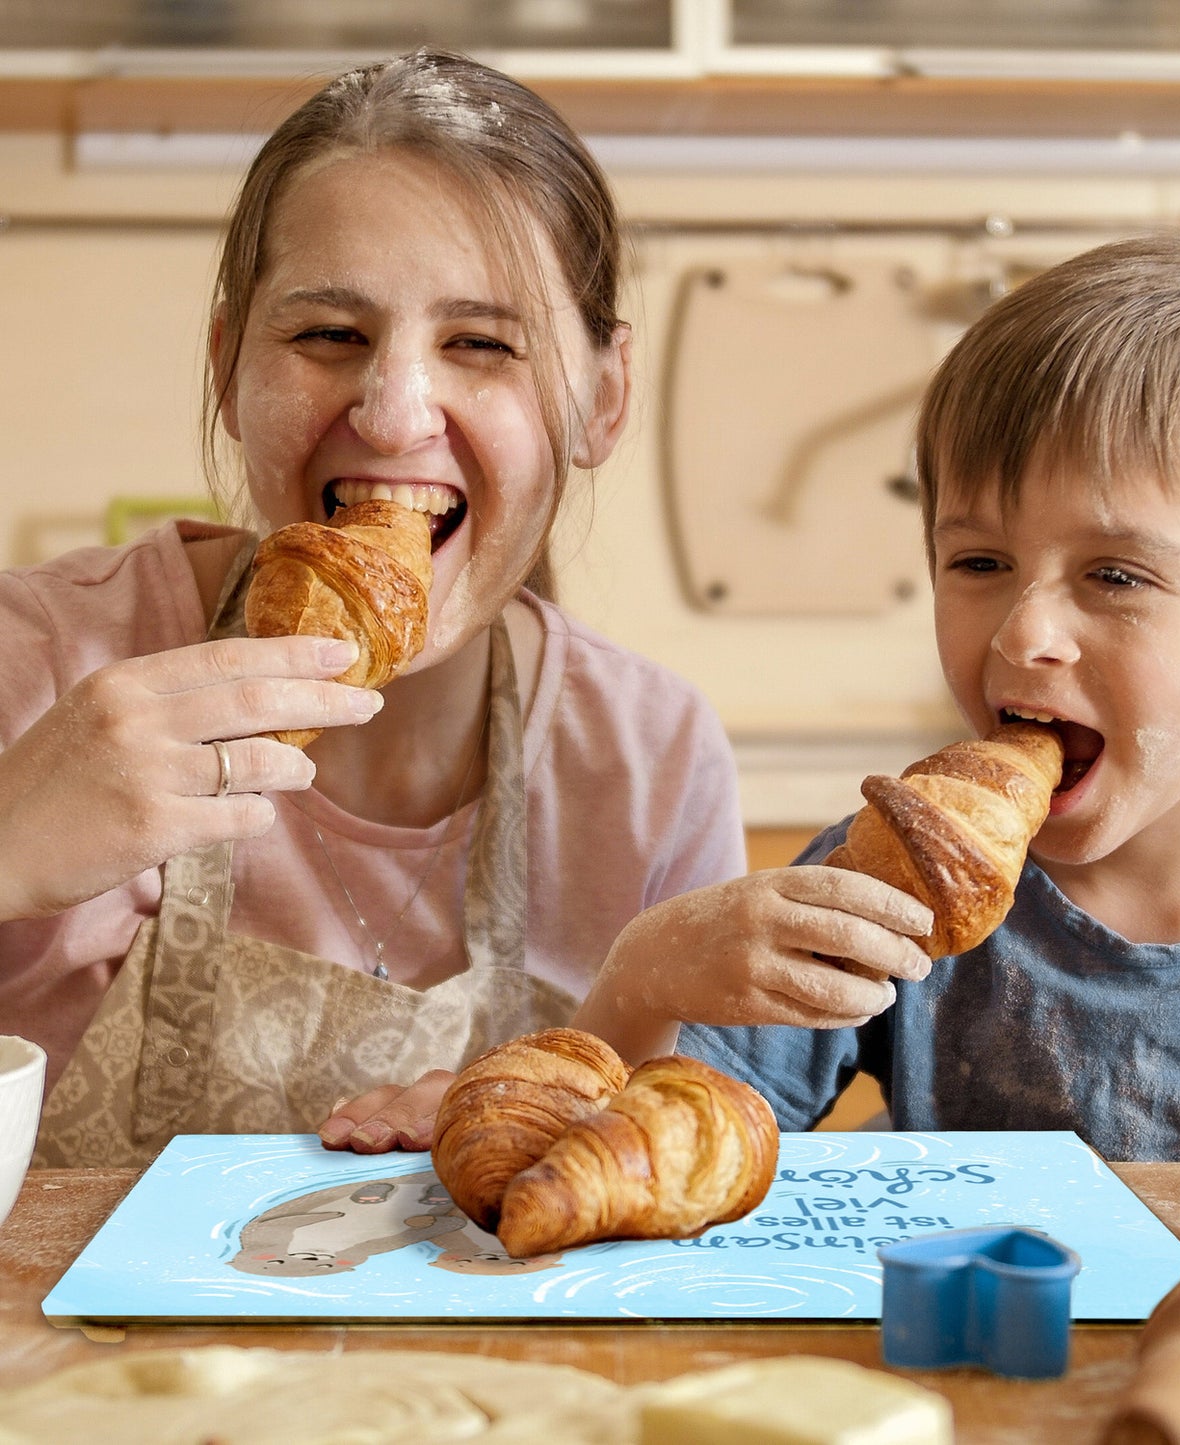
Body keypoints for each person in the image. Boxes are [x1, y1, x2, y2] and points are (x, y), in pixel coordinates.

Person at [2, 48, 748, 1169]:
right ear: (226, 368)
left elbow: (691, 1175)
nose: (396, 413)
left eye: (481, 344)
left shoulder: (647, 760)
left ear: (602, 398)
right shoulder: (41, 663)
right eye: (327, 335)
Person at [579, 233, 1180, 1189]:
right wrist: (642, 974)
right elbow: (651, 1158)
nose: (1022, 631)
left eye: (1114, 574)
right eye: (980, 563)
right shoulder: (888, 881)